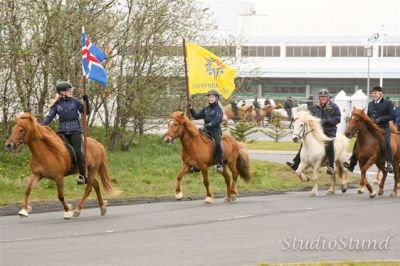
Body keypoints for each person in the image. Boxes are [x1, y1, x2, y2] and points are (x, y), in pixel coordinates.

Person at [41, 81, 90, 185]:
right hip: (63, 132)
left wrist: (86, 101)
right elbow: (49, 117)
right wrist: (40, 126)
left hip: (75, 131)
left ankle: (83, 175)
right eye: (69, 90)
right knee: (62, 151)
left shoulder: (75, 101)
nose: (71, 91)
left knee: (77, 151)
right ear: (62, 92)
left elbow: (86, 112)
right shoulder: (57, 105)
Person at [286, 88, 341, 175]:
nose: (323, 98)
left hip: (329, 131)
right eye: (321, 97)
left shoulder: (334, 107)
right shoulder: (315, 107)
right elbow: (309, 117)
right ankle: (296, 163)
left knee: (329, 143)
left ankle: (330, 165)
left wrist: (327, 121)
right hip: (316, 131)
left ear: (328, 97)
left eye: (324, 97)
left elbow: (337, 119)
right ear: (319, 98)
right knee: (304, 142)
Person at [344, 86, 394, 173]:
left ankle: (389, 163)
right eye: (372, 93)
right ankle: (351, 163)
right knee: (358, 141)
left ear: (380, 94)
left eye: (375, 93)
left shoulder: (388, 103)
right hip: (372, 127)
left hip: (383, 127)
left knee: (386, 141)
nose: (373, 95)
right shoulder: (370, 104)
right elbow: (368, 116)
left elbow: (391, 116)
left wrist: (380, 119)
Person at [188, 89, 224, 173]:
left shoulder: (219, 109)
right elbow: (196, 116)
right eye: (209, 97)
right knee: (195, 141)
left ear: (216, 98)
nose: (210, 99)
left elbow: (216, 121)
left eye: (212, 97)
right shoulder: (206, 109)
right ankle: (195, 164)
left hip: (215, 131)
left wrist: (206, 126)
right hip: (206, 130)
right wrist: (191, 109)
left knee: (218, 144)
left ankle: (219, 163)